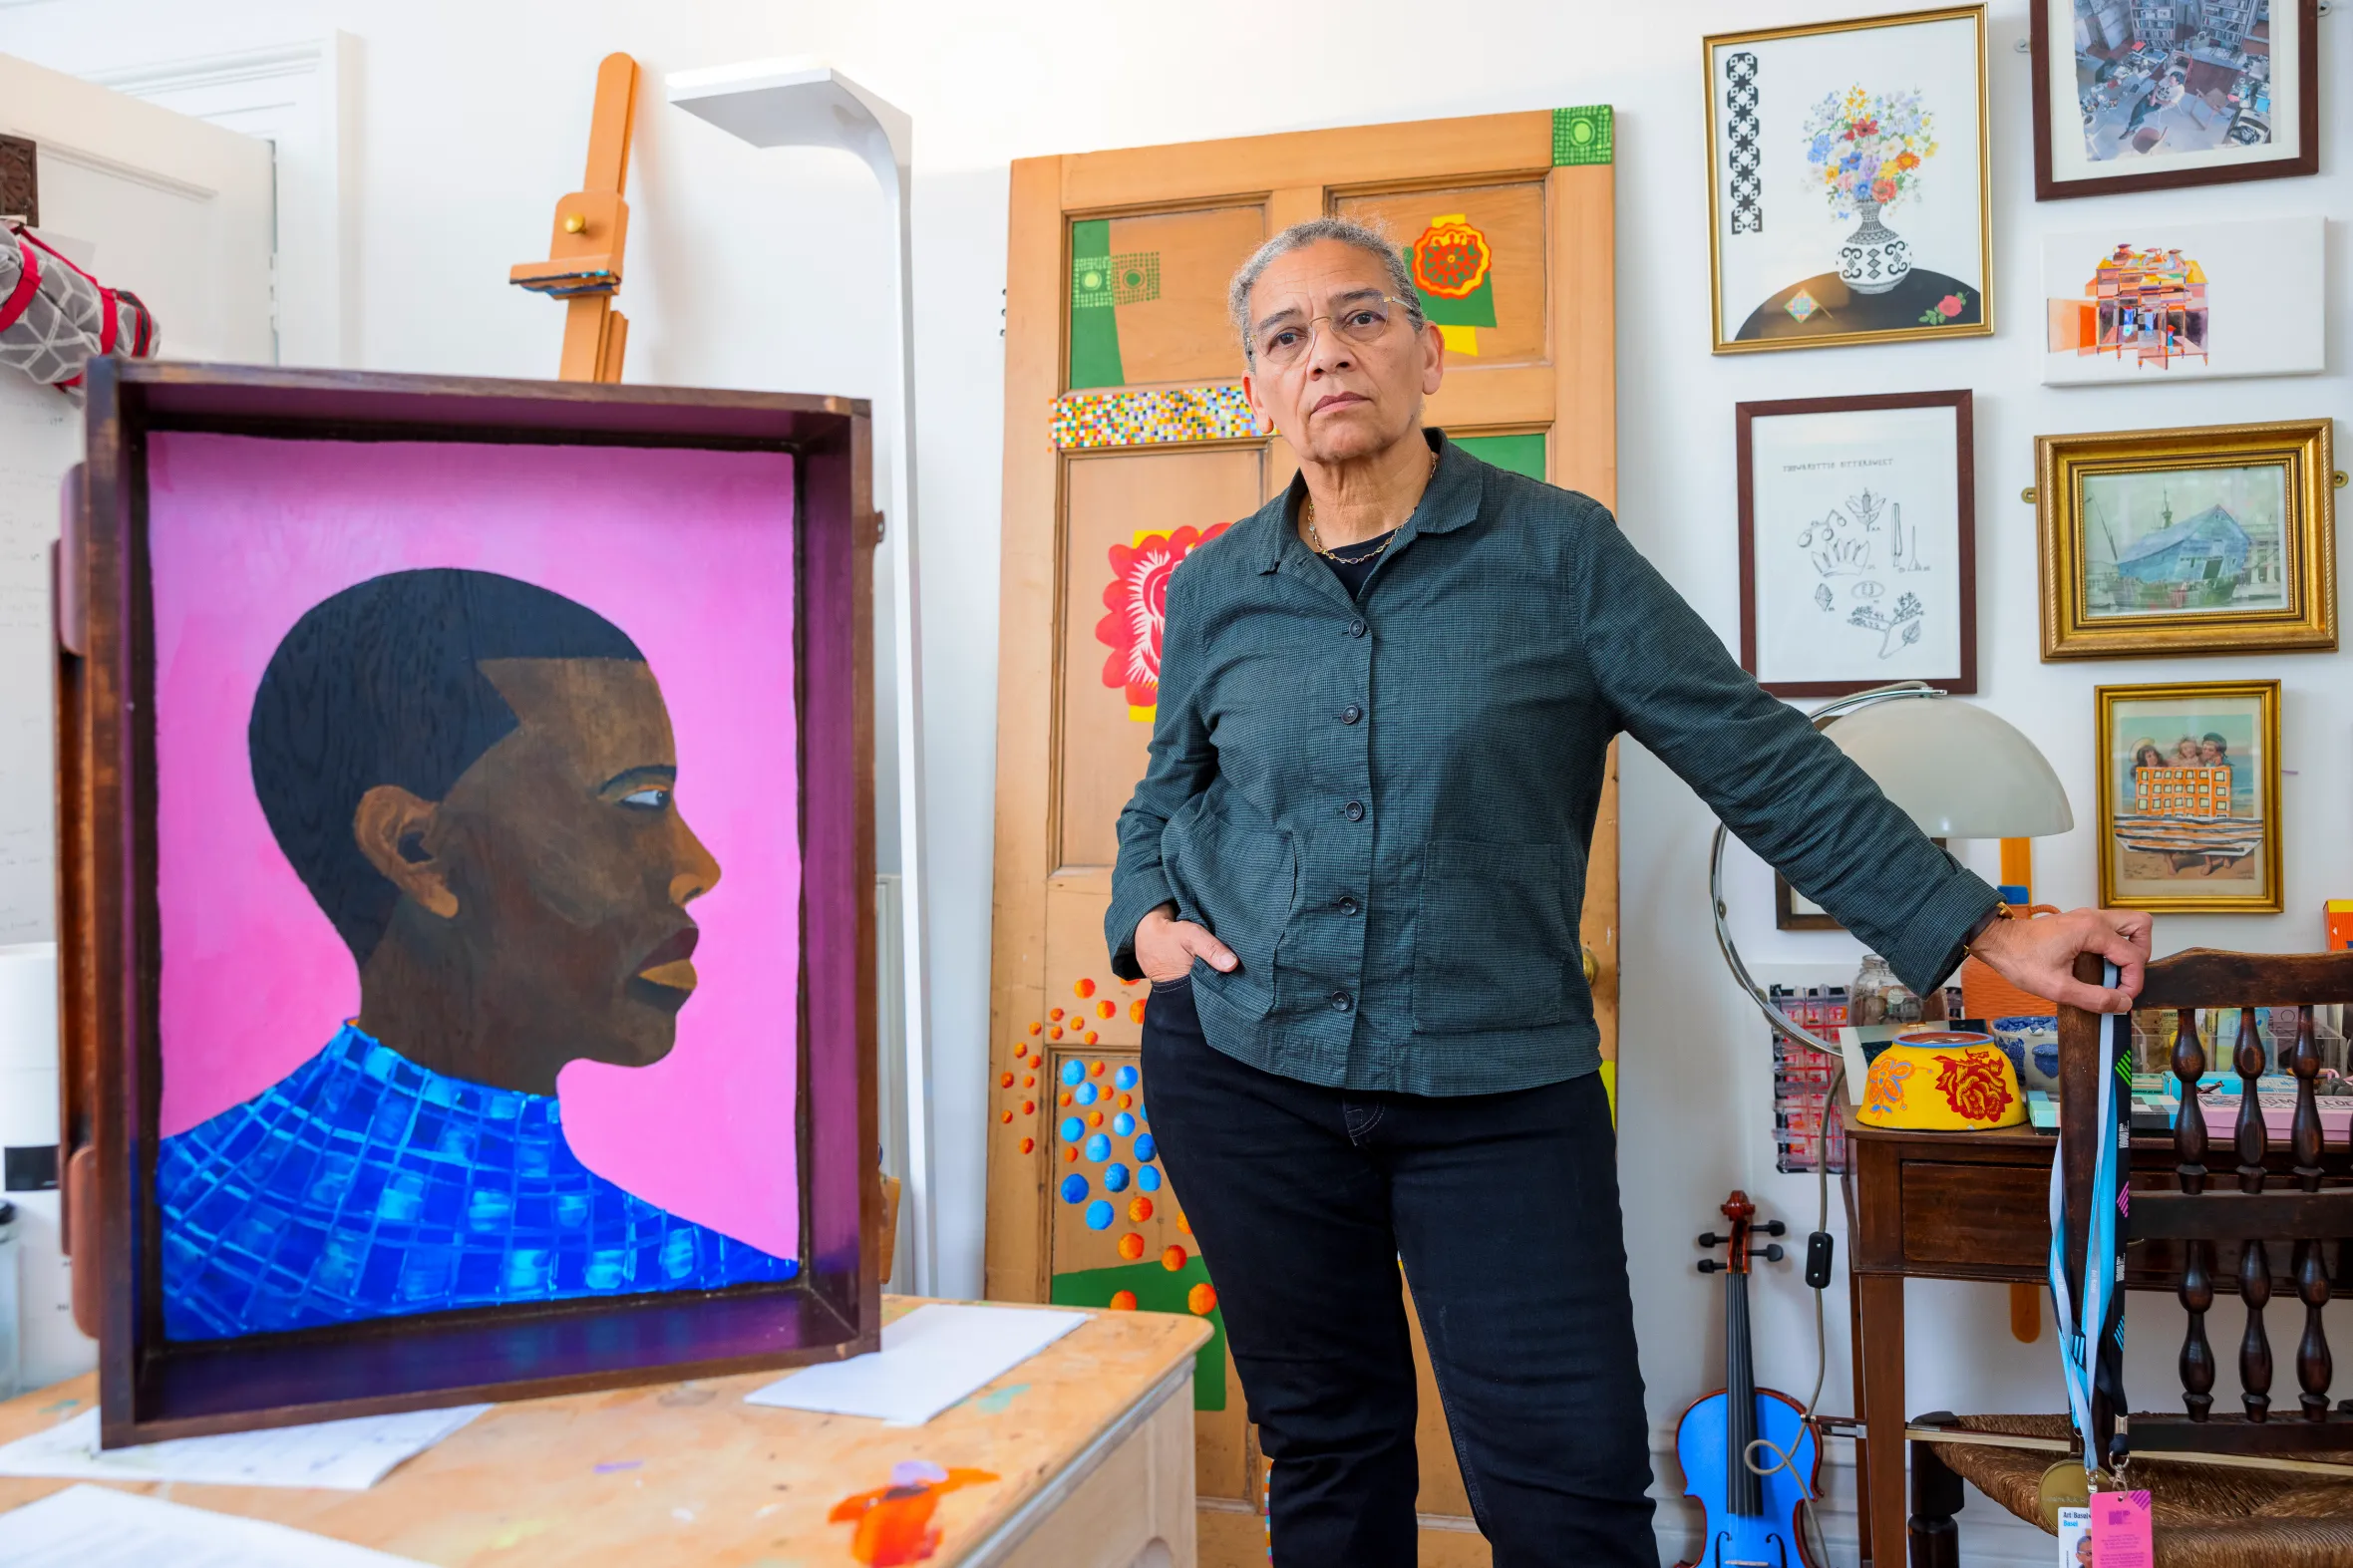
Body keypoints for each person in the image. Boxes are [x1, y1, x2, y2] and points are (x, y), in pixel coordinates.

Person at [1106, 217, 2154, 1567]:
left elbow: (1755, 757)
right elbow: (1165, 787)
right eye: (1287, 336)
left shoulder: (1560, 556)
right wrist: (1145, 922)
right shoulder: (1214, 586)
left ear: (1428, 354)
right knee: (1327, 1447)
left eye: (1363, 318)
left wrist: (1991, 926)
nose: (1328, 354)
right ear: (1259, 387)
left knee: (1570, 1492)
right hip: (1244, 1068)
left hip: (1493, 1089)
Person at [159, 568, 796, 1341]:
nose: (699, 867)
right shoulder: (700, 1289)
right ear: (420, 853)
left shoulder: (175, 1203)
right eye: (638, 803)